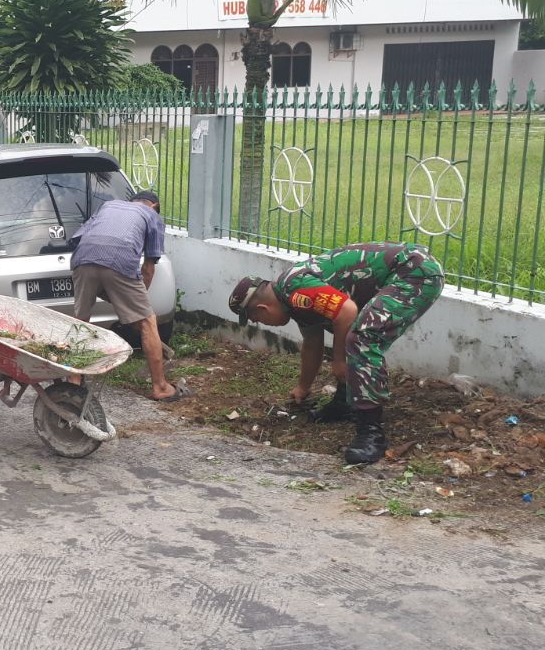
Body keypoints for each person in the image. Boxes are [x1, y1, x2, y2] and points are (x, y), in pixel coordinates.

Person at [228, 242, 445, 465]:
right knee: (346, 330)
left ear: (263, 309)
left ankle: (371, 433)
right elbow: (312, 344)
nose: (261, 323)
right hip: (404, 270)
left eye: (256, 319)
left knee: (362, 337)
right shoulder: (293, 300)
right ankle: (346, 402)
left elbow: (347, 311)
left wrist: (340, 360)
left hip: (414, 273)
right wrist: (304, 387)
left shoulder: (295, 290)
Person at [70, 189, 180, 402]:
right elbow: (148, 269)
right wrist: (138, 309)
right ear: (154, 206)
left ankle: (74, 381)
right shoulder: (152, 216)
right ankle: (160, 387)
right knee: (148, 321)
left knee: (81, 321)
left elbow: (77, 239)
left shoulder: (109, 206)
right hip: (119, 261)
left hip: (82, 259)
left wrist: (125, 303)